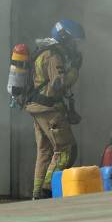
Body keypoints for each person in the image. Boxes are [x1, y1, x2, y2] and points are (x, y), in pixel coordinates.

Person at [25, 19, 84, 199]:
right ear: (64, 37)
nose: (74, 46)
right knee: (66, 149)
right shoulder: (53, 55)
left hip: (38, 109)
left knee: (45, 151)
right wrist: (74, 70)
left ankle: (37, 194)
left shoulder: (43, 51)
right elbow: (58, 83)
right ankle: (47, 190)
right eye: (73, 41)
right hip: (48, 109)